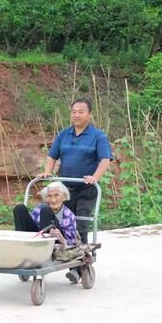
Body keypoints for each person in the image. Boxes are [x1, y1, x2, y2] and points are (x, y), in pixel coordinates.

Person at [37, 98, 112, 283]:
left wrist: (95, 176)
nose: (76, 115)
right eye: (73, 112)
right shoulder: (64, 134)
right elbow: (51, 156)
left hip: (86, 189)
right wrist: (48, 171)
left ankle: (78, 266)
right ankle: (55, 255)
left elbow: (105, 160)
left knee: (80, 225)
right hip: (65, 189)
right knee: (61, 223)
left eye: (81, 111)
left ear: (89, 114)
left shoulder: (98, 136)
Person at [13, 181, 77, 247]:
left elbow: (72, 244)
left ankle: (42, 249)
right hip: (37, 238)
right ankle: (19, 245)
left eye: (56, 195)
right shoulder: (39, 209)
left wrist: (61, 238)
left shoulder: (69, 215)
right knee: (20, 208)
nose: (53, 200)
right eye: (49, 196)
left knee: (46, 210)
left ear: (64, 197)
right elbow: (29, 225)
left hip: (54, 243)